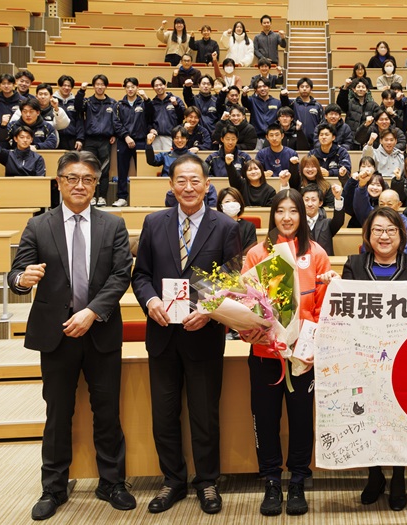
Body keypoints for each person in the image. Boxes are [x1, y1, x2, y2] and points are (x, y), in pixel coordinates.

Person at [132, 154, 263, 515]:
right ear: (171, 186)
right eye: (181, 180)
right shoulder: (154, 223)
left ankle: (207, 481)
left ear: (208, 186)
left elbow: (231, 282)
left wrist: (208, 313)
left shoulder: (225, 227)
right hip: (162, 334)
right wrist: (151, 301)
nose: (188, 187)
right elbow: (141, 274)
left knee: (205, 414)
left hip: (203, 335)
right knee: (164, 413)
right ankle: (172, 480)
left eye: (195, 181)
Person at [8, 151, 134, 521]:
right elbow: (17, 273)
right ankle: (54, 487)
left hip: (100, 331)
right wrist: (21, 279)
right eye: (72, 178)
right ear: (59, 182)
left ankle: (112, 482)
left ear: (96, 185)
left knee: (107, 413)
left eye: (88, 179)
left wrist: (91, 312)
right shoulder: (38, 225)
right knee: (57, 413)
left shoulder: (113, 225)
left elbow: (120, 276)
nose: (80, 185)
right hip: (57, 335)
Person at [241, 189, 331, 517]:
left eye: (294, 211)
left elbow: (322, 307)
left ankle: (297, 481)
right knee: (265, 419)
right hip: (266, 354)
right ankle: (270, 481)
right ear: (273, 216)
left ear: (302, 215)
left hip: (302, 358)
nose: (288, 217)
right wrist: (253, 328)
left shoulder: (317, 254)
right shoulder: (257, 253)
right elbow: (245, 302)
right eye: (281, 211)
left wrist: (306, 345)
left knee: (301, 421)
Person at [340, 207, 407, 511]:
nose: (384, 235)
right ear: (368, 235)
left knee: (399, 417)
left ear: (401, 235)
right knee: (368, 416)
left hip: (403, 359)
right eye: (378, 230)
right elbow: (345, 312)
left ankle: (399, 476)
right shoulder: (353, 264)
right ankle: (374, 475)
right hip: (363, 356)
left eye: (391, 229)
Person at [74, 76, 117, 206]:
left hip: (105, 140)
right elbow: (77, 106)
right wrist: (81, 91)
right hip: (90, 140)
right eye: (97, 84)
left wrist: (114, 133)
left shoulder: (112, 103)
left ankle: (102, 197)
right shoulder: (87, 102)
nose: (99, 87)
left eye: (102, 84)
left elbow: (116, 121)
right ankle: (91, 196)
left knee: (104, 169)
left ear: (106, 86)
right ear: (94, 86)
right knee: (89, 169)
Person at [353, 184, 407, 257]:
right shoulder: (372, 221)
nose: (385, 207)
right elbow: (366, 246)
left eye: (389, 204)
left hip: (399, 261)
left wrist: (391, 256)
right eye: (382, 204)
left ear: (399, 204)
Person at [241, 78, 291, 149]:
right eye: (259, 87)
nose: (262, 89)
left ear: (269, 87)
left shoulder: (277, 102)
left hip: (273, 137)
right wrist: (244, 94)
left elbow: (286, 106)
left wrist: (284, 96)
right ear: (256, 90)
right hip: (257, 138)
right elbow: (244, 102)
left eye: (264, 86)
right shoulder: (252, 101)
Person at [301, 182, 346, 256]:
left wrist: (338, 198)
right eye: (306, 200)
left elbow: (339, 220)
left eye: (313, 200)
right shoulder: (297, 223)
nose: (309, 204)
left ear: (320, 203)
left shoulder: (327, 224)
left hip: (325, 264)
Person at [147, 76, 185, 151]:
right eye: (156, 86)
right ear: (153, 88)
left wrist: (176, 105)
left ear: (165, 86)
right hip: (157, 138)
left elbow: (182, 117)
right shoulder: (152, 103)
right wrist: (150, 129)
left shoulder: (176, 99)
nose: (159, 87)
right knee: (156, 161)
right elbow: (148, 120)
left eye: (161, 85)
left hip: (172, 137)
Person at [217, 187, 258, 255]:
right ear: (221, 206)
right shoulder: (216, 225)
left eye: (235, 201)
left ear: (240, 204)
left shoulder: (249, 226)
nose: (232, 204)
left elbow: (250, 251)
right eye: (227, 201)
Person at [291, 78, 323, 148]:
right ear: (298, 89)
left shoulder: (317, 105)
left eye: (307, 87)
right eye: (302, 87)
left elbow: (322, 122)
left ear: (311, 89)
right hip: (297, 141)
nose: (304, 89)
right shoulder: (293, 104)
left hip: (314, 142)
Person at [55, 75, 80, 151]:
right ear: (59, 85)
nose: (66, 88)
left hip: (72, 138)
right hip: (57, 138)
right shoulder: (52, 101)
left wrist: (80, 139)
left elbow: (79, 121)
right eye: (64, 85)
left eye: (69, 86)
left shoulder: (76, 102)